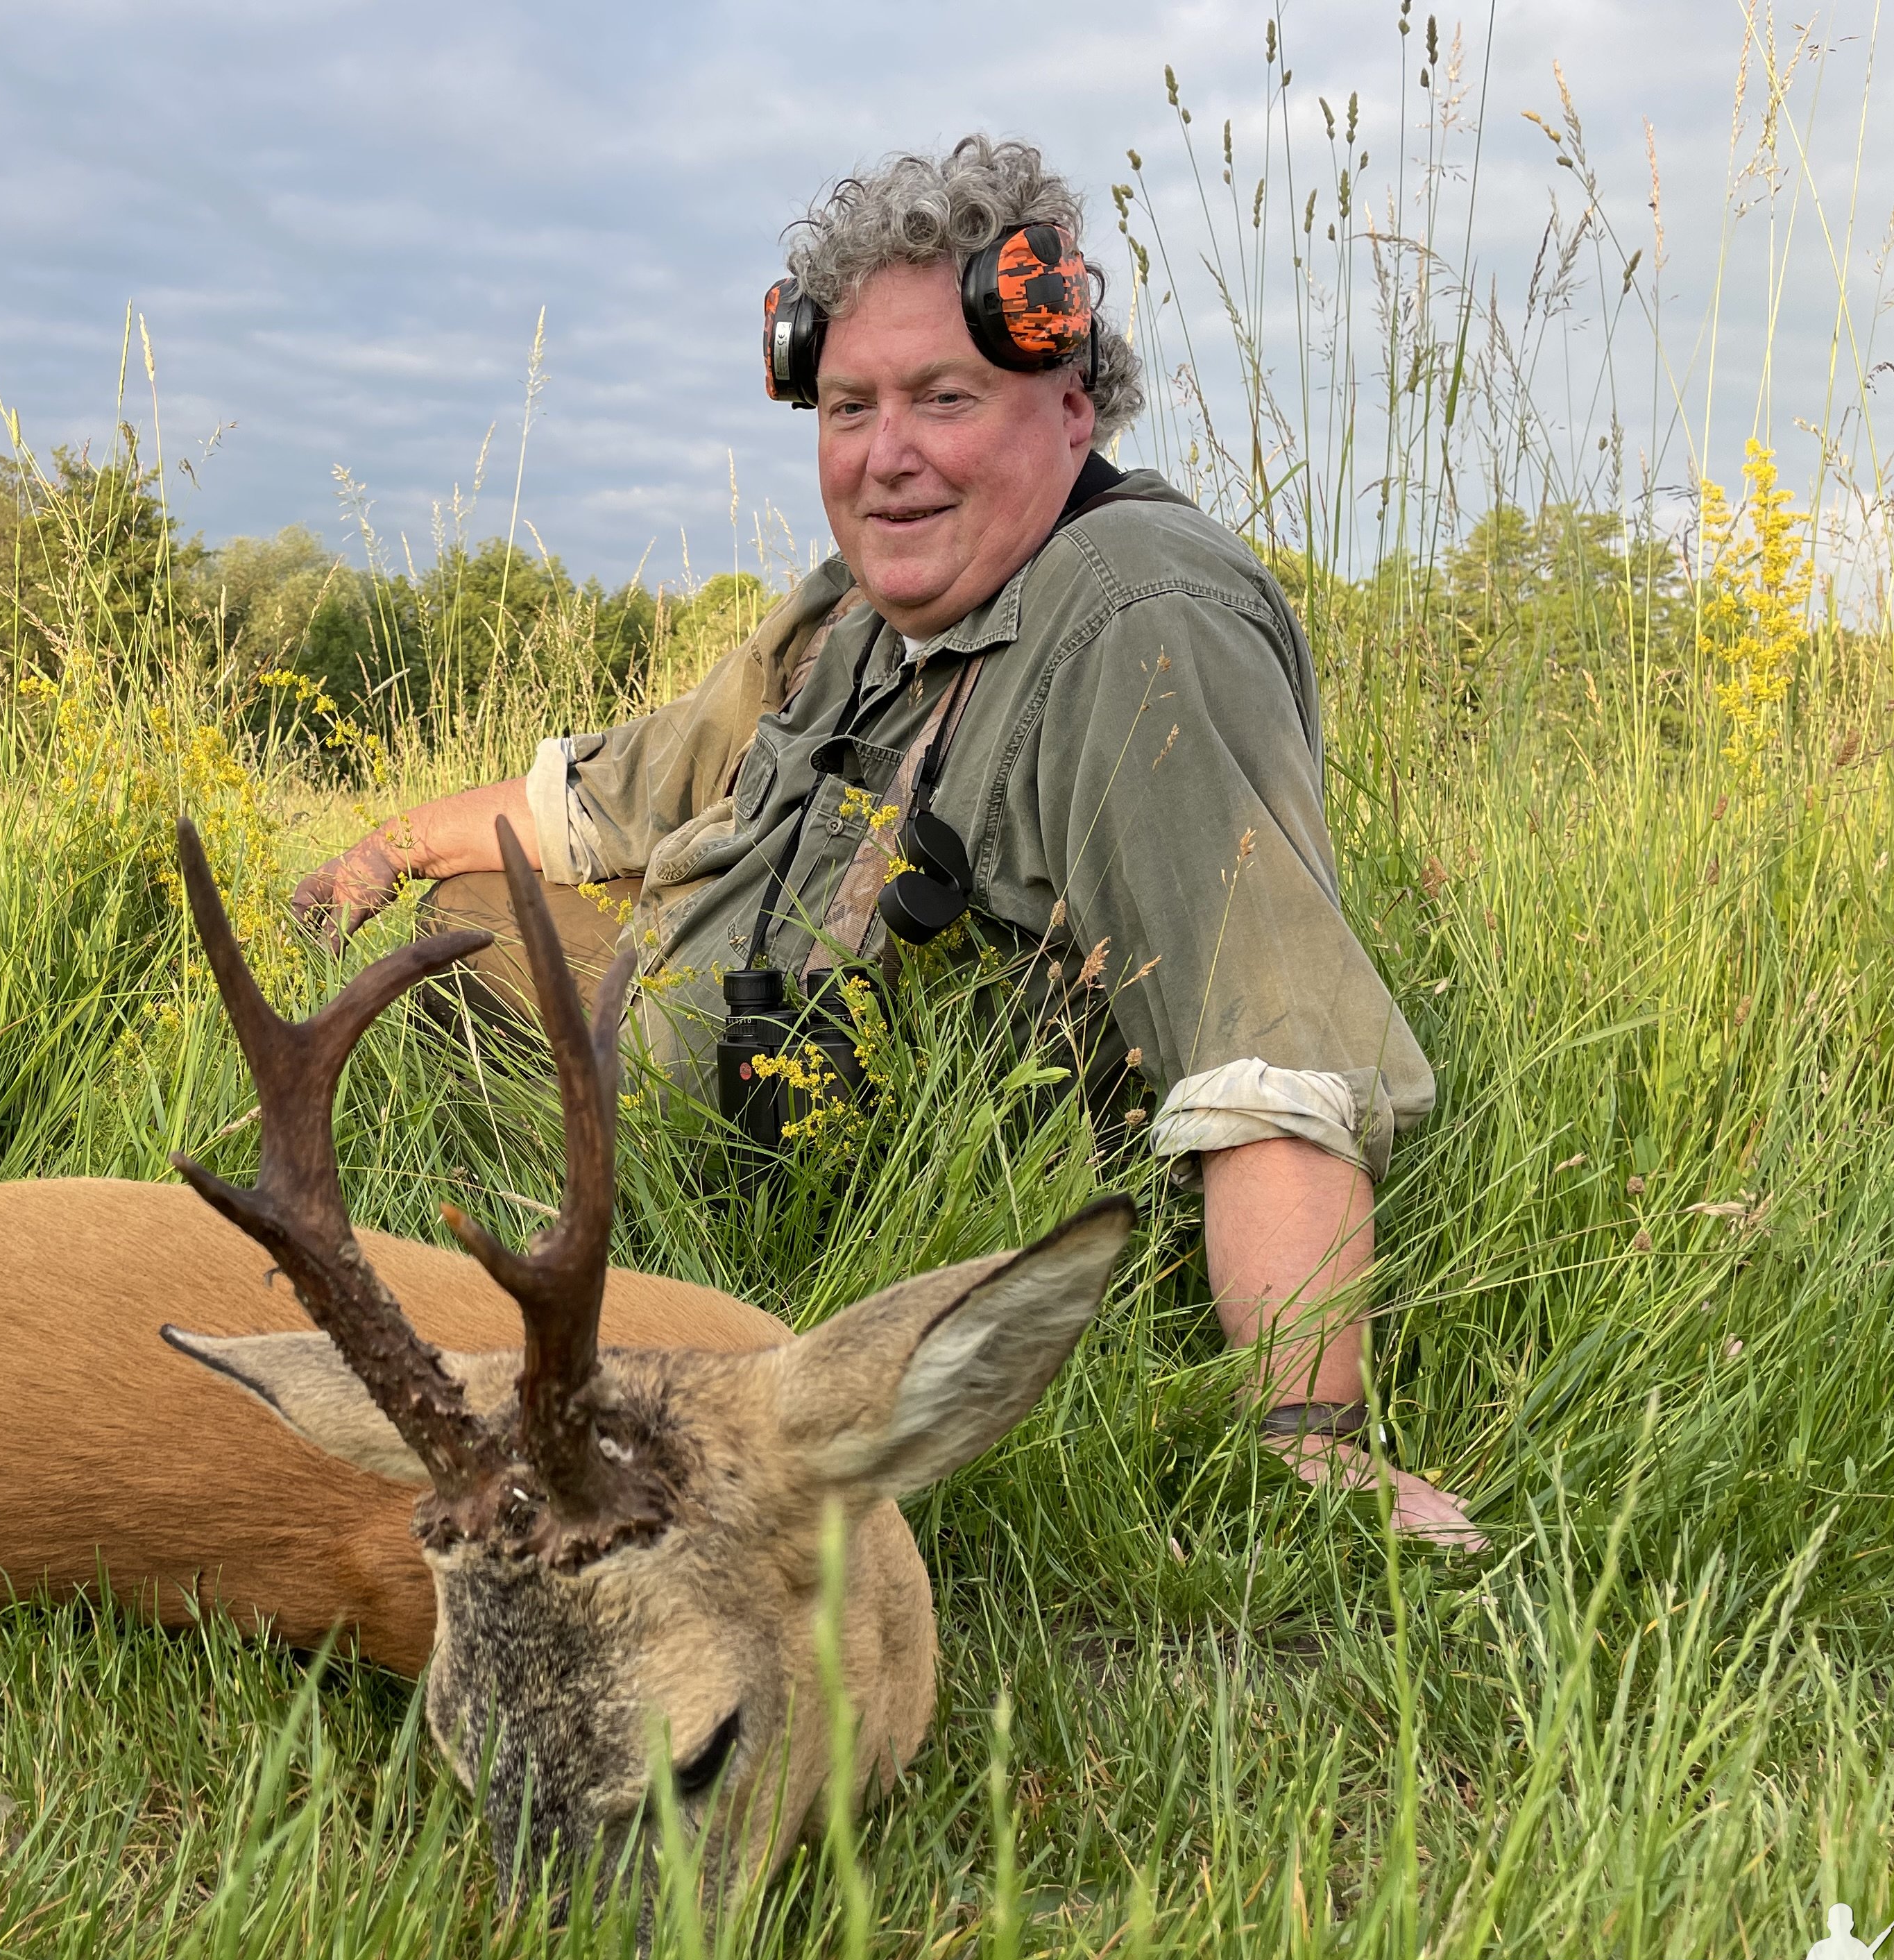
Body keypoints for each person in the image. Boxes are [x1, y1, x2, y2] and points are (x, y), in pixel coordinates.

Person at [293, 136, 1476, 1549]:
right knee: (453, 928)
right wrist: (372, 861)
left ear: (1074, 408)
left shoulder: (1135, 625)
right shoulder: (853, 614)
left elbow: (1269, 1049)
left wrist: (1308, 1436)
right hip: (687, 1078)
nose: (886, 455)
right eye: (849, 406)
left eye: (945, 399)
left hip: (881, 1228)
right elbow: (605, 799)